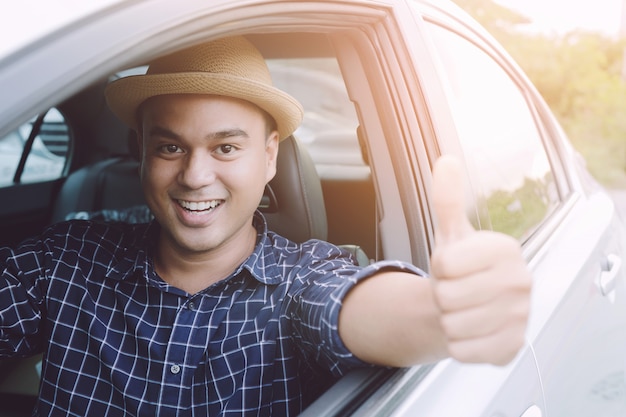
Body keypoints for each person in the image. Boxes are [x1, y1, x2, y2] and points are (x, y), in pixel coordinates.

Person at [0, 36, 532, 416]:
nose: (194, 175)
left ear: (270, 157)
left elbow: (360, 306)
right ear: (140, 153)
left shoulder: (305, 280)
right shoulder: (67, 257)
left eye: (226, 147)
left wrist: (446, 313)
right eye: (170, 147)